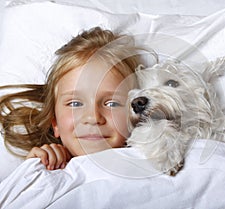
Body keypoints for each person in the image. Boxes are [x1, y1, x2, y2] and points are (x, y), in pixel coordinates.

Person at [0, 26, 144, 171]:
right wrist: (31, 171)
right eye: (75, 103)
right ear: (54, 122)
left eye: (112, 103)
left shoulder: (150, 166)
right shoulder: (42, 170)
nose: (93, 117)